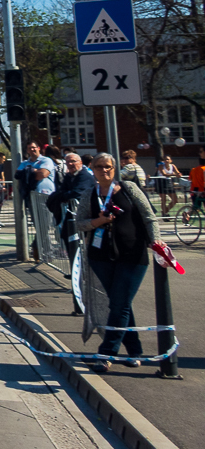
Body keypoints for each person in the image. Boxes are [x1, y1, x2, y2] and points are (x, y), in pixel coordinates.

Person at [76, 153, 162, 372]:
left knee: (120, 303)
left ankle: (107, 353)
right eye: (99, 167)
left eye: (108, 166)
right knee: (119, 303)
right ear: (92, 169)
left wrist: (157, 242)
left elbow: (149, 217)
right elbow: (80, 224)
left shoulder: (129, 189)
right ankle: (134, 351)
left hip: (132, 255)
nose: (104, 170)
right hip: (101, 257)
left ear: (114, 168)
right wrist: (99, 221)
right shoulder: (89, 194)